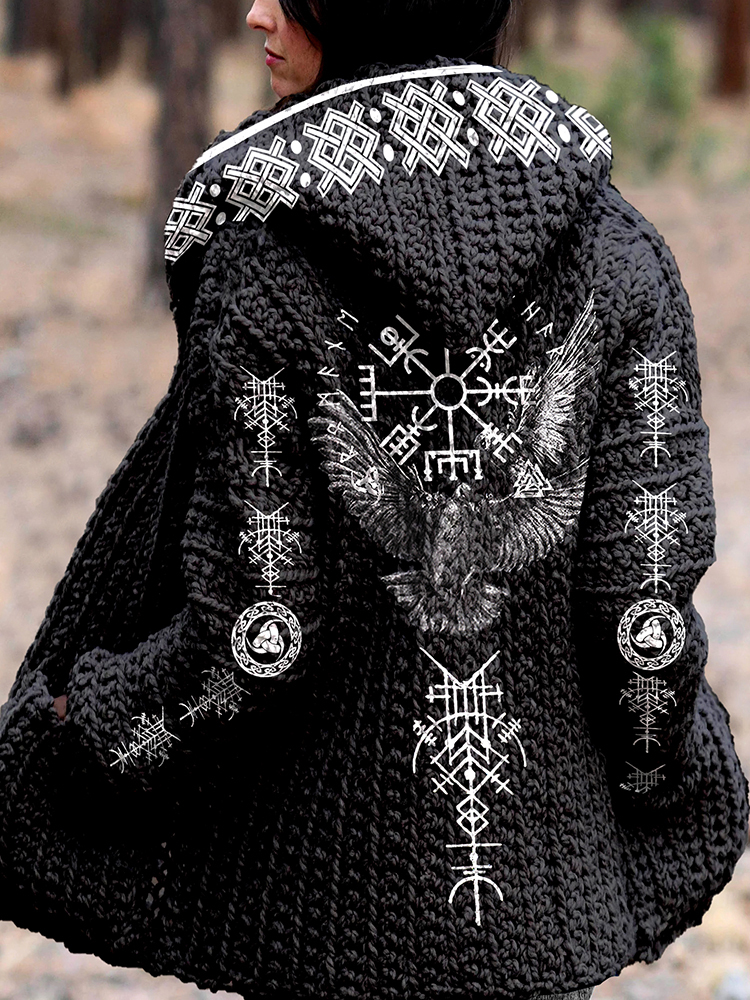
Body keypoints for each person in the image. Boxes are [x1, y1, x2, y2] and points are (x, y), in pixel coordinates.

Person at [4, 1, 747, 999]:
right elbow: (641, 630)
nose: (255, 11)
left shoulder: (262, 268)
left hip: (319, 930)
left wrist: (86, 734)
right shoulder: (624, 257)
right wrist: (670, 781)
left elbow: (257, 639)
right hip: (540, 926)